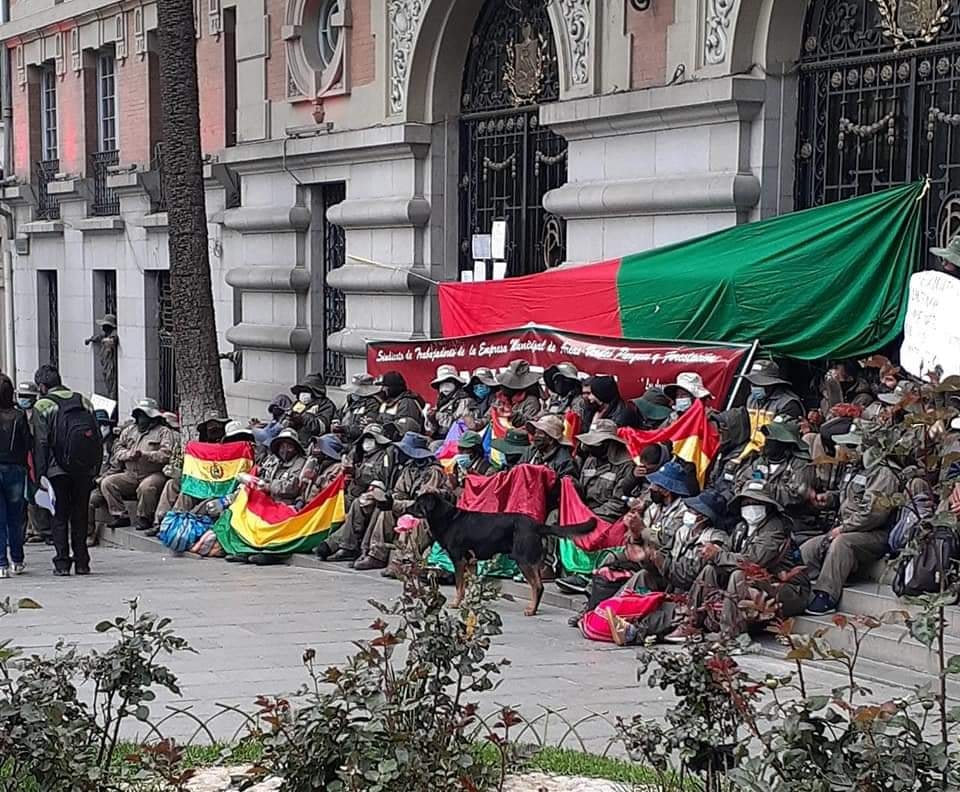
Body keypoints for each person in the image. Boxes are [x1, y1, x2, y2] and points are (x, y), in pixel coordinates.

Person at [669, 481, 809, 641]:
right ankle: (694, 622)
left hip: (789, 590)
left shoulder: (775, 529)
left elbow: (754, 562)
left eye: (756, 503)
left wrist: (718, 555)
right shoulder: (741, 528)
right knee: (710, 569)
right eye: (747, 502)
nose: (751, 506)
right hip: (759, 585)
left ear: (768, 506)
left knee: (738, 575)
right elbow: (726, 553)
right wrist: (713, 554)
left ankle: (731, 634)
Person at [602, 488, 727, 646]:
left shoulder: (714, 540)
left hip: (693, 597)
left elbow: (689, 577)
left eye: (692, 510)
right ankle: (611, 608)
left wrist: (660, 560)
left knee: (663, 612)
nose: (687, 513)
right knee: (644, 575)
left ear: (703, 517)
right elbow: (663, 554)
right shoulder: (683, 531)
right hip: (670, 586)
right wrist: (647, 559)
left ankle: (634, 631)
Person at [801, 423, 902, 615]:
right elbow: (846, 495)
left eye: (851, 446)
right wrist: (828, 498)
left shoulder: (884, 473)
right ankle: (803, 587)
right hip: (848, 527)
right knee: (808, 549)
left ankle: (826, 595)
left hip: (874, 534)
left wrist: (844, 528)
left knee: (842, 543)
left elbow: (873, 514)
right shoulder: (857, 468)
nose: (845, 450)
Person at [31, 365, 101, 576]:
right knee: (80, 514)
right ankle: (82, 561)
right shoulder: (83, 401)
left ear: (42, 386)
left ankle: (62, 562)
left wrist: (40, 475)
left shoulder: (42, 406)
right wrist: (95, 467)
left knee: (58, 515)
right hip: (83, 469)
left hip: (56, 471)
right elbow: (96, 436)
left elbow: (41, 443)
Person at [555, 419, 633, 594]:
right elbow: (583, 489)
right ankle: (570, 569)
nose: (591, 447)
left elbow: (619, 502)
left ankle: (586, 575)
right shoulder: (590, 460)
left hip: (609, 515)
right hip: (587, 509)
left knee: (589, 529)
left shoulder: (626, 465)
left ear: (609, 444)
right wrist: (573, 487)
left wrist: (594, 514)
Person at [356, 431, 447, 573]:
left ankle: (405, 561)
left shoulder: (433, 471)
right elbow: (399, 491)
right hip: (409, 505)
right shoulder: (410, 468)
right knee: (385, 512)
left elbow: (423, 503)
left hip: (427, 513)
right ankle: (376, 555)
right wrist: (390, 499)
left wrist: (397, 504)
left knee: (414, 520)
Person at [316, 423, 395, 562]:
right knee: (331, 504)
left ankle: (342, 546)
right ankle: (319, 539)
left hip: (372, 495)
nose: (368, 443)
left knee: (358, 506)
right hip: (353, 493)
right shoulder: (359, 454)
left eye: (372, 439)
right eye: (366, 439)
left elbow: (382, 476)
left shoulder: (385, 455)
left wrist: (356, 472)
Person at [733, 419, 821, 543]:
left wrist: (763, 489)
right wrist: (751, 494)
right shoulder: (761, 460)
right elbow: (740, 483)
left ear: (785, 442)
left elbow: (796, 494)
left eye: (773, 438)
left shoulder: (801, 463)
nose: (768, 441)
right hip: (757, 516)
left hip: (791, 521)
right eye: (768, 437)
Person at [148, 411, 230, 536]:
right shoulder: (199, 449)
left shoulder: (230, 450)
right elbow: (190, 473)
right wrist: (177, 474)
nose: (213, 431)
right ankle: (160, 521)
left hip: (216, 489)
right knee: (172, 484)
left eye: (217, 427)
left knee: (187, 492)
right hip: (198, 483)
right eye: (210, 428)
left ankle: (173, 525)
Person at [100, 398, 175, 532]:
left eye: (144, 415)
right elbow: (117, 449)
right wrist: (128, 455)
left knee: (146, 487)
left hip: (153, 473)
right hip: (130, 474)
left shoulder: (163, 432)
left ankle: (144, 517)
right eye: (139, 415)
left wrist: (145, 455)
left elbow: (166, 455)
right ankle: (120, 515)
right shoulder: (129, 431)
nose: (141, 419)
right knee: (107, 483)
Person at [0, 375, 30, 578]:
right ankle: (17, 560)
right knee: (15, 517)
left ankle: (1, 563)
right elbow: (27, 443)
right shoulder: (19, 416)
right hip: (15, 469)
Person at [87, 409, 120, 546]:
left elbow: (116, 467)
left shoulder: (115, 444)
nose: (101, 428)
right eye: (98, 425)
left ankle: (90, 534)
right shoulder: (90, 444)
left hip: (107, 482)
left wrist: (101, 478)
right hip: (92, 482)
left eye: (104, 425)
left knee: (90, 500)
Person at [258, 428, 308, 507]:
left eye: (289, 446)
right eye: (282, 446)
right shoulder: (277, 461)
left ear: (296, 448)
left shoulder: (301, 462)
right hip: (270, 502)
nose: (285, 450)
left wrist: (269, 486)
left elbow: (292, 487)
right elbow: (267, 478)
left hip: (287, 506)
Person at [285, 374, 337, 448]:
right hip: (292, 441)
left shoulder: (326, 405)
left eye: (306, 391)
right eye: (301, 391)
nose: (303, 394)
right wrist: (290, 420)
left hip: (311, 444)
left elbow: (320, 428)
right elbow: (284, 423)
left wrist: (304, 417)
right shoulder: (297, 404)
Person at [426, 365, 473, 441]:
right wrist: (431, 419)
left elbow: (461, 425)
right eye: (442, 383)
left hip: (456, 440)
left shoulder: (465, 401)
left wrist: (438, 416)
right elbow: (432, 429)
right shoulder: (441, 401)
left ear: (456, 383)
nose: (445, 386)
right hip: (440, 438)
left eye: (448, 382)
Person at [523, 414, 579, 479]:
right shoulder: (531, 451)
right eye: (535, 432)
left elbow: (568, 486)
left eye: (540, 433)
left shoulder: (565, 461)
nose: (535, 436)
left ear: (551, 439)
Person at [495, 360, 543, 429]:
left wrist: (512, 415)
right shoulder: (501, 398)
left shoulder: (531, 401)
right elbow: (490, 415)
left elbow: (530, 423)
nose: (503, 388)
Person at [300, 434, 345, 506]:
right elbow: (304, 487)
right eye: (315, 447)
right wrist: (300, 500)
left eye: (319, 447)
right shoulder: (316, 465)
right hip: (307, 507)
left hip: (321, 509)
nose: (315, 450)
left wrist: (316, 480)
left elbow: (330, 492)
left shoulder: (338, 468)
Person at [338, 374, 384, 442]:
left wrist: (343, 429)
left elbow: (364, 427)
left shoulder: (373, 404)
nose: (353, 393)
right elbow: (338, 414)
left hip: (359, 441)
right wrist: (335, 422)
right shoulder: (350, 401)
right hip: (342, 437)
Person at [84, 313, 119, 401]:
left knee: (112, 389)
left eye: (104, 326)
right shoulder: (105, 335)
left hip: (111, 367)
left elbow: (112, 341)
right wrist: (90, 339)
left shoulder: (113, 335)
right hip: (106, 367)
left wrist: (106, 341)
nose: (102, 328)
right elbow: (98, 337)